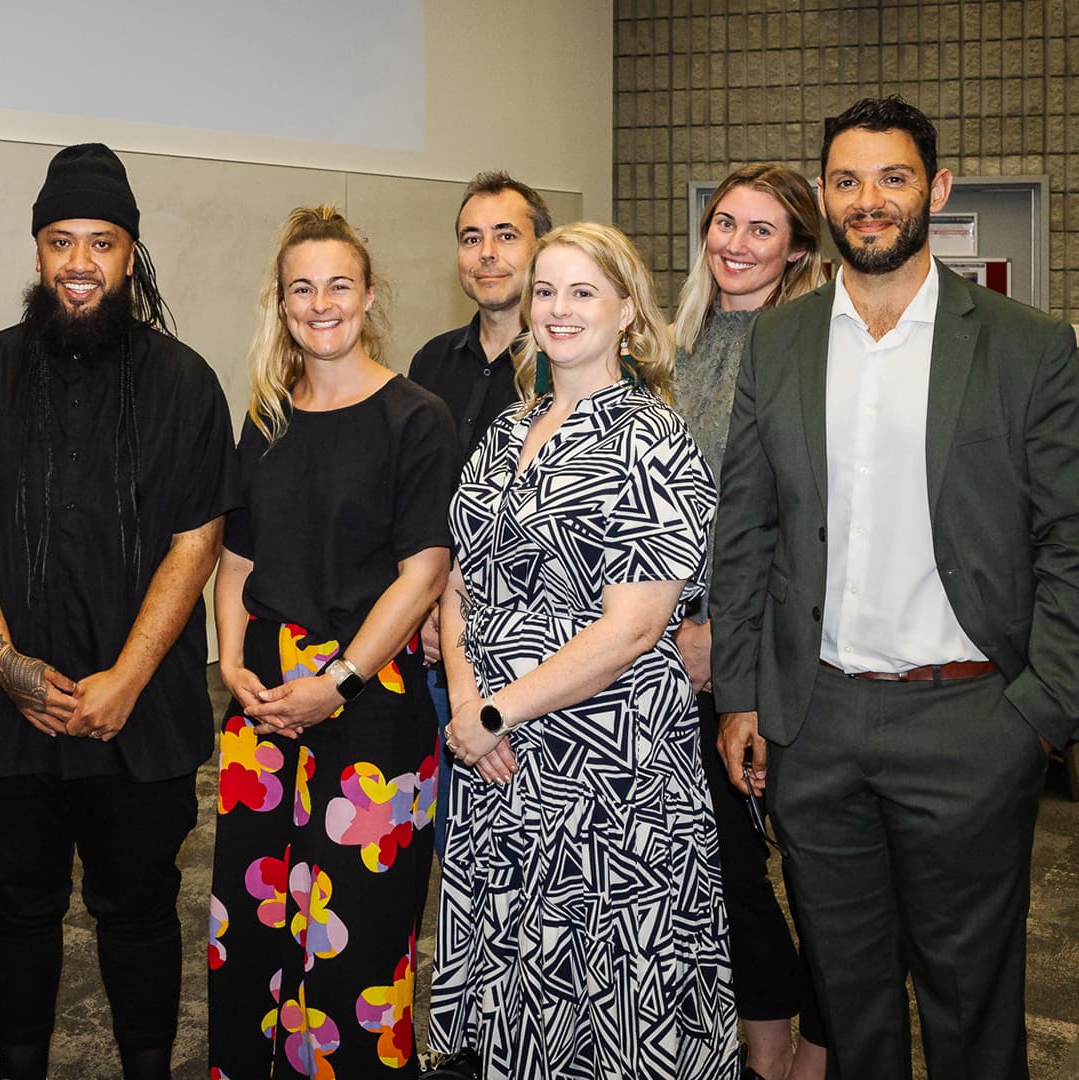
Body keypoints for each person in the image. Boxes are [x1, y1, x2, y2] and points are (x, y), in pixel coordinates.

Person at [712, 96, 1079, 1078]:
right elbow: (748, 531)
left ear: (935, 188)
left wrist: (1039, 709)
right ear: (824, 194)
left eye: (893, 178)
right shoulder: (780, 342)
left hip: (971, 720)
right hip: (818, 726)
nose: (870, 201)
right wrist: (742, 692)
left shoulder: (1024, 346)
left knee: (972, 1004)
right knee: (851, 1011)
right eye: (847, 181)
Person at [0, 142, 238, 1080]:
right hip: (8, 723)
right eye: (62, 242)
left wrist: (129, 679)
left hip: (138, 723)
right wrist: (9, 666)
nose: (80, 263)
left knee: (139, 910)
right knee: (13, 907)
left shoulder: (184, 382)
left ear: (130, 255)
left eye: (101, 243)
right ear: (37, 252)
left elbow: (197, 538)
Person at [428, 222, 734, 1076]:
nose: (558, 309)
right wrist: (465, 704)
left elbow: (634, 627)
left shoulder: (652, 440)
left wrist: (493, 711)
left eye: (582, 291)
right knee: (522, 1006)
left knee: (615, 1009)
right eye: (546, 291)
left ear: (628, 311)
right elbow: (459, 584)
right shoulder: (504, 430)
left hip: (610, 779)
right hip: (503, 764)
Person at [207, 205, 453, 1077]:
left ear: (370, 295)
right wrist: (232, 659)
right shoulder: (266, 416)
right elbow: (238, 556)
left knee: (357, 945)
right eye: (300, 288)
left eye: (337, 285)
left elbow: (421, 576)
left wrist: (340, 680)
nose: (320, 303)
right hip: (264, 705)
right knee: (254, 927)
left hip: (372, 705)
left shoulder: (416, 418)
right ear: (281, 303)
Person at [670, 162, 830, 1080]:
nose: (734, 243)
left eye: (761, 229)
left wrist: (727, 636)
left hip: (768, 649)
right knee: (728, 868)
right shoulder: (670, 346)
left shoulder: (810, 348)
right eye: (724, 223)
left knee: (816, 874)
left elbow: (799, 520)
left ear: (799, 249)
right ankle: (767, 1037)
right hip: (674, 650)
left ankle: (823, 1044)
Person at [405, 171, 553, 851]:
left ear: (541, 247)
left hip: (542, 659)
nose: (486, 252)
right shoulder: (431, 362)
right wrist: (427, 608)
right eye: (472, 238)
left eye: (505, 235)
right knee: (453, 848)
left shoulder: (572, 361)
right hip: (435, 647)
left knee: (541, 856)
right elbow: (413, 505)